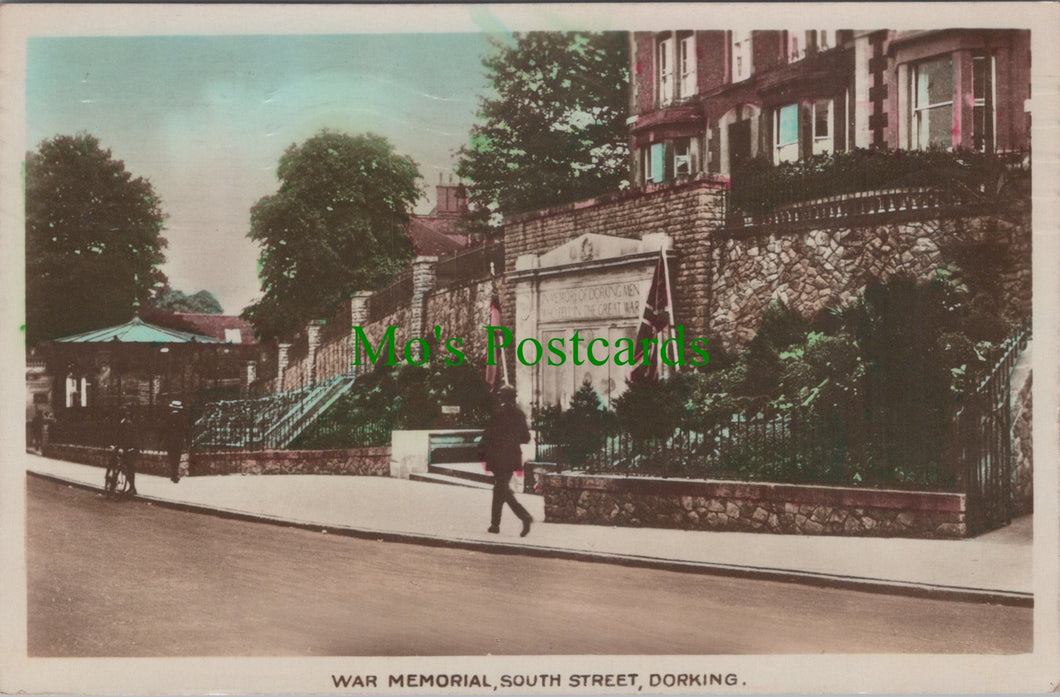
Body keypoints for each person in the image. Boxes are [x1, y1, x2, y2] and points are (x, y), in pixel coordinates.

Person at [479, 385, 533, 537]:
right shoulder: (519, 414)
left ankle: (523, 516)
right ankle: (495, 525)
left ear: (502, 397)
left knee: (501, 489)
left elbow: (488, 435)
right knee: (500, 489)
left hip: (498, 457)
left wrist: (483, 450)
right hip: (512, 457)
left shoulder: (498, 414)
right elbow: (526, 437)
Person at [112, 406, 138, 495]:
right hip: (128, 448)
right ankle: (132, 487)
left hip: (131, 449)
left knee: (129, 468)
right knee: (126, 468)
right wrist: (117, 446)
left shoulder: (127, 423)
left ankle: (132, 488)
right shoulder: (123, 422)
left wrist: (123, 448)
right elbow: (120, 437)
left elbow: (127, 438)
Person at [164, 400, 188, 483]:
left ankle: (173, 474)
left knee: (171, 457)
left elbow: (165, 428)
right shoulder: (182, 418)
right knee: (177, 458)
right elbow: (185, 429)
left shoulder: (168, 417)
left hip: (170, 440)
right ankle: (175, 474)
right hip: (178, 440)